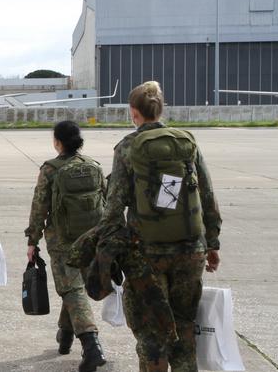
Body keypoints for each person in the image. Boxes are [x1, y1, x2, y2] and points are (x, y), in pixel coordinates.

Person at [101, 81, 222, 371]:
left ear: (133, 113)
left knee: (152, 332)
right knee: (183, 327)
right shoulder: (186, 143)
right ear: (161, 109)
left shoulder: (128, 148)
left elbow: (114, 207)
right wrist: (212, 244)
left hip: (146, 254)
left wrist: (106, 253)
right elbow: (207, 196)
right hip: (190, 249)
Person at [25, 120, 107, 371]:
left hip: (62, 241)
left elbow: (39, 208)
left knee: (72, 290)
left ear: (57, 142)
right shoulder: (93, 166)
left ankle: (91, 345)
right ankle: (65, 334)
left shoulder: (50, 170)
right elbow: (105, 199)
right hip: (91, 238)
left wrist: (32, 240)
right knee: (71, 288)